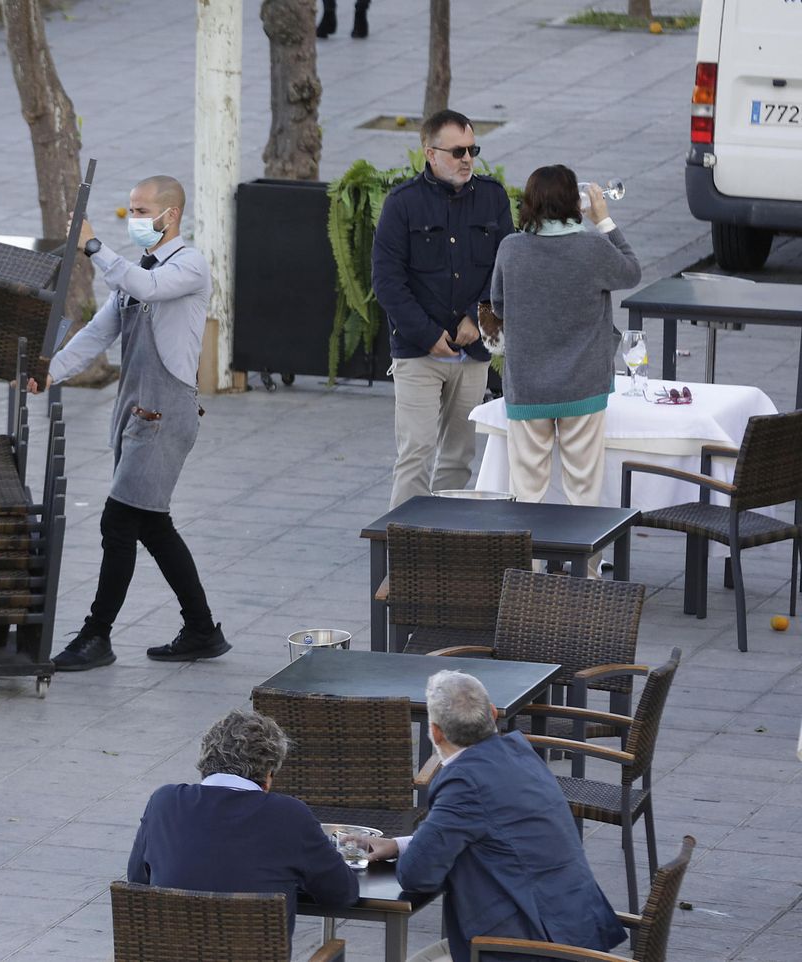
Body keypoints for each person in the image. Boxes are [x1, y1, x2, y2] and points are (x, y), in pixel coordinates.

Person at [28, 175, 228, 671]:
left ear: (171, 215)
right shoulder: (137, 270)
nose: (134, 218)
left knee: (118, 522)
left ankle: (97, 635)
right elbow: (97, 334)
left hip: (164, 415)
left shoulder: (188, 266)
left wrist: (93, 246)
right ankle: (202, 629)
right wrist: (49, 372)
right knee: (153, 525)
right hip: (136, 415)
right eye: (131, 209)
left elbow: (147, 288)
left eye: (142, 210)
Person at [354, 671, 626, 962]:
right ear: (493, 714)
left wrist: (413, 851)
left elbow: (417, 875)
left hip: (529, 949)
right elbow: (485, 831)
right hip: (578, 932)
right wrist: (399, 844)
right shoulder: (519, 752)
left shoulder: (464, 780)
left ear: (435, 732)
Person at [490, 167, 641, 577]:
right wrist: (604, 219)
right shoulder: (592, 249)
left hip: (528, 389)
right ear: (575, 203)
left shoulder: (511, 249)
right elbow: (632, 271)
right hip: (583, 388)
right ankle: (585, 579)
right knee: (583, 491)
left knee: (527, 492)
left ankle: (527, 577)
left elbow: (499, 305)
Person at [372, 110, 513, 508]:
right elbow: (387, 281)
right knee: (415, 453)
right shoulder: (402, 205)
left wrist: (475, 315)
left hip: (472, 353)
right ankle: (403, 553)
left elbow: (505, 268)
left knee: (458, 458)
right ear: (430, 154)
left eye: (472, 149)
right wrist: (429, 335)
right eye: (457, 151)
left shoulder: (492, 197)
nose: (467, 159)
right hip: (419, 353)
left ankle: (443, 548)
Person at [127, 709, 358, 936]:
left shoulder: (163, 802)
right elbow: (342, 894)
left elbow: (137, 880)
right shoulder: (290, 815)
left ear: (205, 761)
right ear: (269, 773)